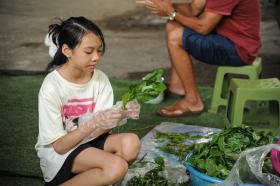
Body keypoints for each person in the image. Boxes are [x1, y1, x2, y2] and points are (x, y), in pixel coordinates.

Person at [35, 16, 141, 186]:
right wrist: (91, 124)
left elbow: (103, 128)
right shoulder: (52, 86)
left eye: (99, 50)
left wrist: (120, 114)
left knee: (131, 143)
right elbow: (59, 147)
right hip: (62, 151)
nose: (96, 57)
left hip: (90, 141)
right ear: (67, 51)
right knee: (116, 167)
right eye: (88, 51)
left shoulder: (100, 79)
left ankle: (93, 179)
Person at [136, 0, 261, 117]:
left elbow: (203, 27)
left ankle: (193, 102)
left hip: (239, 50)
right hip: (226, 39)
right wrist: (163, 5)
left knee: (175, 36)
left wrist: (170, 12)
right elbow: (192, 9)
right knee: (173, 24)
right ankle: (177, 86)